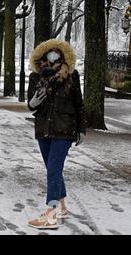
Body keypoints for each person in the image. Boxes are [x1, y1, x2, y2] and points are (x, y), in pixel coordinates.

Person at [27, 39, 86, 230]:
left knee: (53, 168)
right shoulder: (35, 77)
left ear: (63, 56)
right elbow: (30, 105)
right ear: (41, 57)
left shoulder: (71, 75)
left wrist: (82, 129)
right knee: (53, 169)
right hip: (43, 129)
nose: (52, 56)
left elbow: (79, 104)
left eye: (56, 53)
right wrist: (34, 102)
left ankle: (50, 216)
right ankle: (62, 207)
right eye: (48, 53)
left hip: (64, 129)